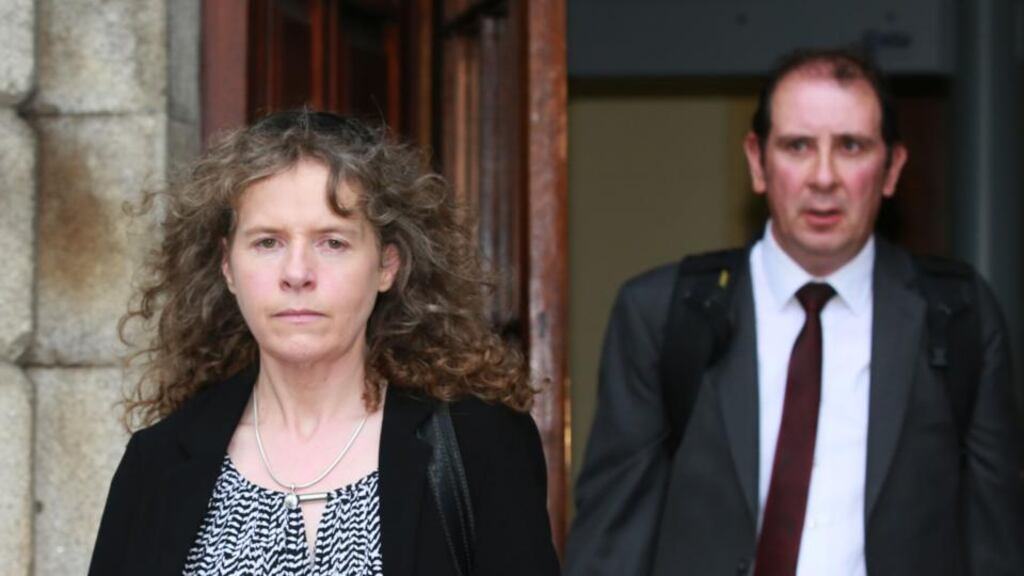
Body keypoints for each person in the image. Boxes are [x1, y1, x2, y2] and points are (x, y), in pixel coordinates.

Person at [566, 48, 1024, 576]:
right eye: (797, 146)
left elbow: (997, 545)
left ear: (892, 167)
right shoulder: (661, 314)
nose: (823, 177)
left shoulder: (959, 316)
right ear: (758, 162)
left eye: (851, 146)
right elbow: (612, 544)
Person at [88, 110, 560, 575]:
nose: (296, 273)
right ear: (228, 267)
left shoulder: (479, 443)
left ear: (386, 267)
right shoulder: (159, 461)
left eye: (332, 242)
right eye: (267, 242)